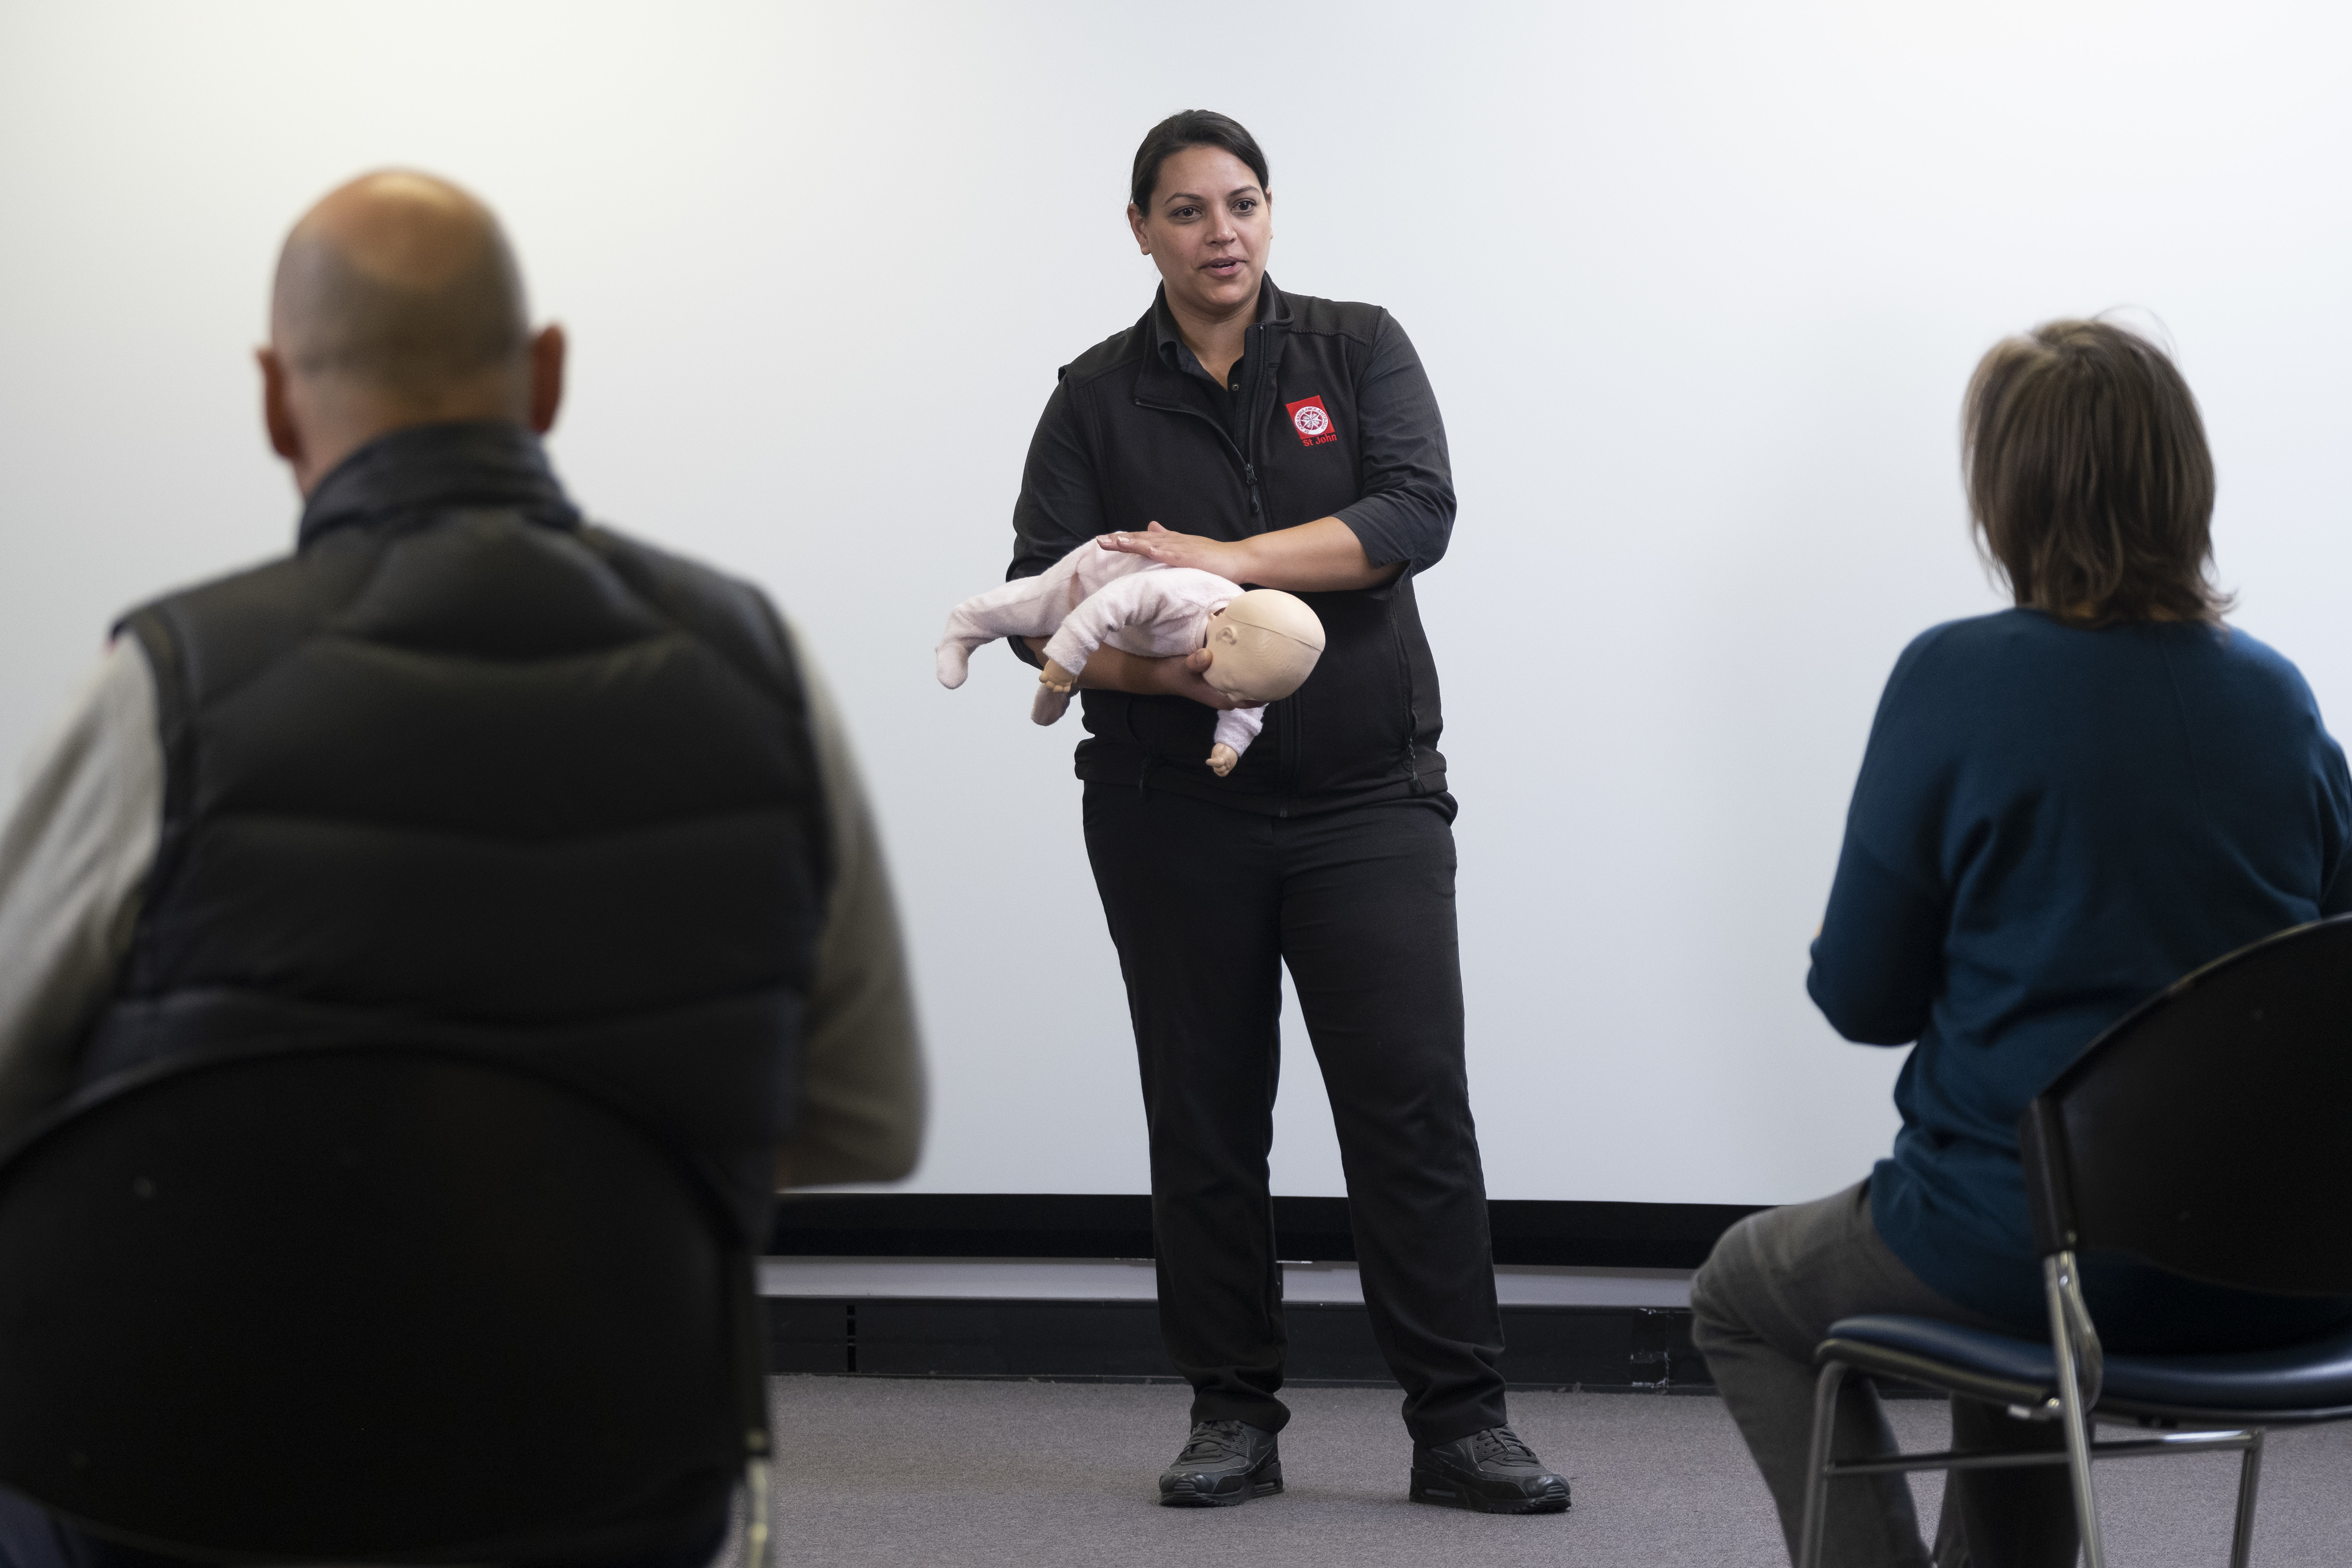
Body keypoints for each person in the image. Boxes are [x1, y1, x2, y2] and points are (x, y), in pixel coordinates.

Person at [0, 170, 922, 1565]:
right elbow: (867, 1117)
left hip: (181, 1500)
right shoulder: (761, 665)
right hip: (611, 1492)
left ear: (271, 399)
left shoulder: (168, 685)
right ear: (545, 376)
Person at [1689, 319, 2352, 1568]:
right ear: (2183, 483)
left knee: (1739, 1290)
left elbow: (1864, 999)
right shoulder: (2275, 695)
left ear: (2005, 494)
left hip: (2023, 1248)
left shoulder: (1955, 679)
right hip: (2287, 1261)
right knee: (2029, 1252)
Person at [1004, 109, 1567, 1513]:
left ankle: (1459, 1423)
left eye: (1241, 203)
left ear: (1271, 214)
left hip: (1366, 798)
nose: (1221, 233)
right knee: (1204, 1115)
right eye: (1186, 211)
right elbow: (1040, 605)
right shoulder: (1089, 397)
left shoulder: (1355, 346)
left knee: (1409, 1109)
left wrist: (1226, 558)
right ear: (1139, 229)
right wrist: (1177, 676)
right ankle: (1230, 1415)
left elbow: (1413, 513)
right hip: (1167, 808)